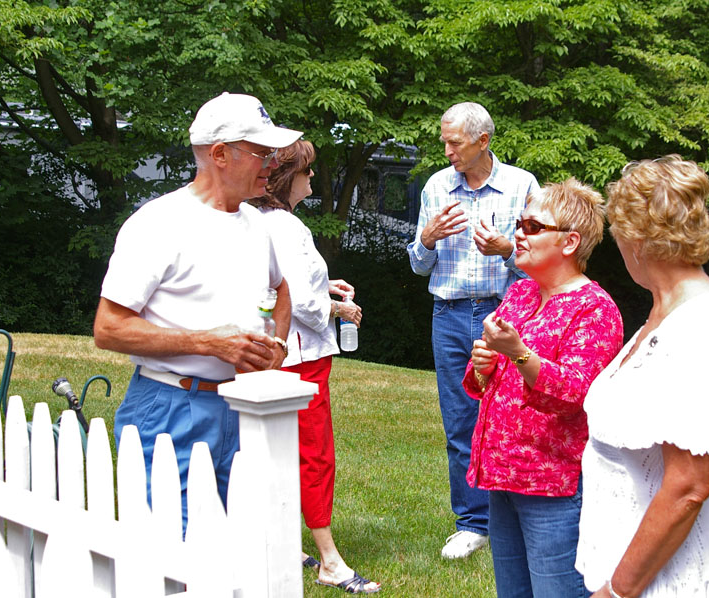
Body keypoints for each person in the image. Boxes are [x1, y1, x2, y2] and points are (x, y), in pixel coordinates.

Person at [93, 92, 301, 530]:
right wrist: (205, 343)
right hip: (170, 405)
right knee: (173, 554)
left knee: (241, 549)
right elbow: (108, 328)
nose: (273, 164)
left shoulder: (256, 225)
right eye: (262, 153)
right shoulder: (158, 222)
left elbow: (282, 290)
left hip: (242, 407)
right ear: (220, 154)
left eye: (273, 154)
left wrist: (277, 346)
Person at [575, 155, 709, 597]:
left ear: (636, 238)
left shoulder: (703, 332)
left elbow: (689, 486)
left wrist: (617, 591)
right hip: (629, 570)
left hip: (675, 583)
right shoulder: (663, 315)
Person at [464, 180, 623, 597]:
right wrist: (483, 366)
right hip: (504, 476)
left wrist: (517, 353)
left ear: (570, 242)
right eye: (519, 223)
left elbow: (577, 392)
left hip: (553, 484)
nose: (519, 233)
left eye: (533, 226)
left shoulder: (595, 308)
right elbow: (489, 379)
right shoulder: (519, 293)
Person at [408, 102, 539, 559]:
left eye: (454, 143)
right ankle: (472, 524)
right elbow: (420, 266)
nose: (446, 151)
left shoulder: (522, 186)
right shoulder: (436, 186)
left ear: (483, 141)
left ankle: (514, 514)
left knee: (509, 417)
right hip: (447, 315)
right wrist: (425, 240)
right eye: (444, 141)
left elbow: (538, 265)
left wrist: (507, 250)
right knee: (460, 421)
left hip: (502, 316)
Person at [249, 140, 380, 594]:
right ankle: (329, 560)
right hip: (301, 357)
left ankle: (285, 542)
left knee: (281, 453)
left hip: (279, 352)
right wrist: (338, 309)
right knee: (315, 455)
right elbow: (298, 300)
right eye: (307, 172)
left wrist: (326, 285)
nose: (311, 179)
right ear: (290, 178)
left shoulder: (259, 221)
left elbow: (284, 285)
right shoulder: (287, 226)